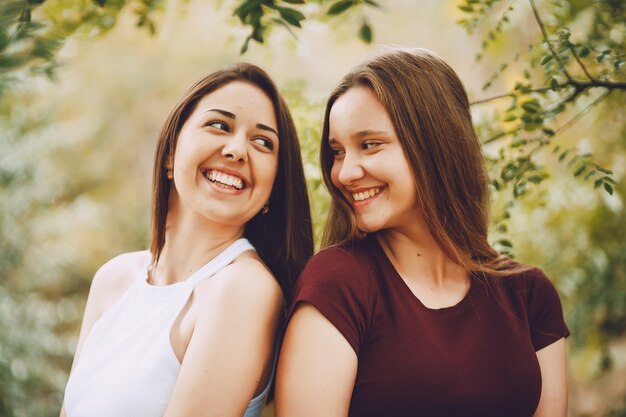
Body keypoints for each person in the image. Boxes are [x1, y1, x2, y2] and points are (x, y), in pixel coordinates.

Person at [276, 47, 569, 417]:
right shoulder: (338, 285)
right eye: (337, 151)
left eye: (370, 145)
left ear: (433, 143)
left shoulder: (528, 294)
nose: (344, 173)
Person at [61, 63, 313, 417]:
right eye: (219, 125)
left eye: (262, 142)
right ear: (169, 154)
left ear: (274, 186)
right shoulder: (114, 280)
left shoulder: (243, 290)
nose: (237, 150)